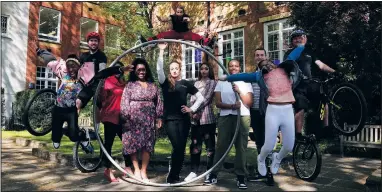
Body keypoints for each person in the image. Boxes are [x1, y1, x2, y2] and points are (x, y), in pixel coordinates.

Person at [222, 43, 306, 177]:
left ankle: (277, 158)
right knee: (268, 144)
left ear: (271, 61)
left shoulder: (283, 68)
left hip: (287, 109)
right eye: (263, 66)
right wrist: (227, 78)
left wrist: (301, 46)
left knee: (289, 146)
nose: (266, 65)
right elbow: (243, 76)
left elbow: (293, 56)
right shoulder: (259, 77)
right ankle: (261, 159)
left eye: (267, 62)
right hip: (273, 109)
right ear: (262, 70)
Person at [33, 40, 133, 151]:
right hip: (59, 108)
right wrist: (39, 51)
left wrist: (119, 69)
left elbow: (102, 73)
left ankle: (83, 137)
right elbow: (50, 61)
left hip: (71, 110)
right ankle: (60, 135)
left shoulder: (84, 78)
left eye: (74, 67)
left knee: (73, 136)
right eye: (69, 67)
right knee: (56, 137)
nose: (71, 69)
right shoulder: (63, 73)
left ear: (79, 68)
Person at [156, 42, 205, 183]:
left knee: (181, 148)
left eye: (176, 68)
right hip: (170, 120)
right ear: (169, 70)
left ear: (179, 69)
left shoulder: (185, 83)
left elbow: (201, 97)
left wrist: (192, 109)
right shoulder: (165, 82)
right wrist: (161, 52)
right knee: (177, 146)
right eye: (172, 68)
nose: (174, 71)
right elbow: (159, 69)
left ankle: (174, 176)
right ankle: (172, 176)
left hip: (184, 120)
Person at [205, 59, 253, 189]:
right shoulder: (222, 82)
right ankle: (213, 174)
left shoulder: (245, 81)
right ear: (227, 68)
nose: (233, 68)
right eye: (231, 66)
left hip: (242, 117)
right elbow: (218, 103)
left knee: (241, 147)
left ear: (239, 67)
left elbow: (249, 103)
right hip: (225, 117)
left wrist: (239, 91)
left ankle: (241, 176)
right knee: (221, 146)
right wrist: (232, 106)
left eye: (236, 66)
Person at [284, 30, 336, 140]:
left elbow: (321, 65)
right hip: (297, 85)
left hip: (310, 83)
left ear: (305, 39)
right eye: (295, 38)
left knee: (324, 98)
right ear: (292, 41)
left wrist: (334, 72)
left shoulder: (309, 52)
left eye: (300, 37)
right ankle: (298, 135)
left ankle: (325, 127)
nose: (298, 39)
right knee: (300, 107)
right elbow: (286, 68)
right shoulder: (289, 53)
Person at [121, 58, 164, 182]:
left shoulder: (153, 85)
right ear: (134, 71)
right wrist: (126, 116)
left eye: (143, 69)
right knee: (132, 144)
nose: (141, 72)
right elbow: (124, 101)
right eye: (139, 69)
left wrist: (159, 117)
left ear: (147, 71)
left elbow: (159, 102)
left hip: (149, 119)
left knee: (148, 145)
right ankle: (136, 170)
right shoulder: (130, 85)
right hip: (133, 118)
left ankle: (144, 171)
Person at [97, 61, 133, 183]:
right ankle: (108, 169)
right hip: (110, 117)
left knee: (127, 143)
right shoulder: (108, 81)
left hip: (122, 118)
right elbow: (101, 99)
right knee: (109, 144)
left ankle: (127, 167)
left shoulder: (124, 82)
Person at [184, 63, 217, 182]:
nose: (203, 71)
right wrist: (192, 112)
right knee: (195, 146)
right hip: (195, 120)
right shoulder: (196, 83)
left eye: (206, 68)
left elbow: (206, 99)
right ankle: (193, 171)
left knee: (210, 147)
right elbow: (192, 99)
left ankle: (209, 172)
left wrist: (194, 110)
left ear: (209, 70)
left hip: (207, 118)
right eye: (202, 69)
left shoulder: (212, 83)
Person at [139, 6, 211, 48]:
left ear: (183, 13)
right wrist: (161, 19)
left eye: (181, 12)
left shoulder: (185, 17)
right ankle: (147, 42)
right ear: (176, 13)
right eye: (178, 12)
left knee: (197, 36)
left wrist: (187, 20)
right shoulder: (172, 17)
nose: (179, 14)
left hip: (185, 33)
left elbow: (189, 20)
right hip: (174, 33)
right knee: (161, 35)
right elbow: (166, 19)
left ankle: (207, 43)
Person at [247, 48, 269, 182]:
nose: (259, 57)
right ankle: (262, 171)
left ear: (266, 57)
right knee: (259, 141)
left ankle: (269, 171)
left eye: (262, 55)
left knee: (268, 142)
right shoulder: (253, 75)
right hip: (255, 111)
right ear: (254, 58)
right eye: (257, 55)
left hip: (268, 112)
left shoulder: (271, 74)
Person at [76, 32, 108, 110]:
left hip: (96, 85)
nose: (93, 43)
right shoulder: (83, 56)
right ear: (88, 42)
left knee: (98, 107)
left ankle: (97, 121)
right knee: (77, 102)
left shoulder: (101, 55)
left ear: (98, 42)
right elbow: (78, 69)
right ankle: (74, 120)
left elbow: (102, 71)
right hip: (85, 85)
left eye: (95, 41)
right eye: (91, 40)